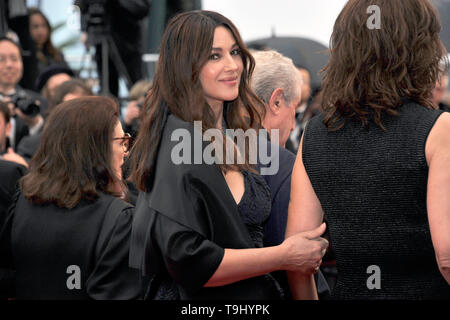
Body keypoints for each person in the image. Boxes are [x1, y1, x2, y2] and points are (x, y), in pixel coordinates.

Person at [128, 10, 328, 300]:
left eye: (234, 52)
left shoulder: (227, 137)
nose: (232, 65)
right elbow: (191, 260)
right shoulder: (178, 143)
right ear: (186, 66)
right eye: (214, 56)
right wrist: (284, 256)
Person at [286, 0, 450, 300]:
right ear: (419, 49)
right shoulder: (439, 129)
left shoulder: (316, 133)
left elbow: (298, 255)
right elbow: (448, 255)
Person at [0, 96, 140, 299]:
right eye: (122, 142)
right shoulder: (119, 218)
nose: (125, 153)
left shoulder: (23, 201)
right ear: (96, 149)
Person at [250, 49, 330, 299]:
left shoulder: (206, 152)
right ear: (275, 101)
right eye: (292, 111)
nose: (294, 125)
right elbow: (297, 267)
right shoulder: (282, 164)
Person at [75, 0, 150, 97]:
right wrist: (85, 29)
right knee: (108, 89)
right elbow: (82, 5)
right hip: (101, 40)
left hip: (128, 44)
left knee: (137, 88)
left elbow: (142, 9)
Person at [16, 78, 94, 163]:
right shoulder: (32, 145)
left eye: (81, 106)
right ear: (57, 109)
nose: (75, 113)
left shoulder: (101, 144)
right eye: (68, 106)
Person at [0, 36, 47, 150]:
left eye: (14, 59)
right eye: (1, 59)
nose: (9, 65)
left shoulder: (38, 102)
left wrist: (35, 123)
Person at [28, 8, 68, 76]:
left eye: (43, 25)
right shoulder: (26, 56)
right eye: (35, 26)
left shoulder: (57, 54)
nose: (40, 31)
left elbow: (69, 75)